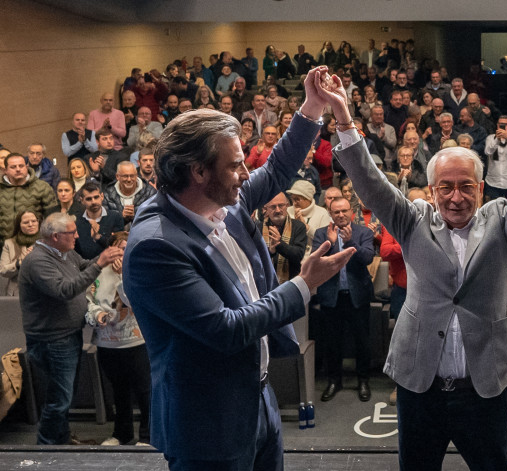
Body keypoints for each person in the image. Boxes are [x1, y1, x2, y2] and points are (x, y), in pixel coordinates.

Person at [329, 60, 507, 470]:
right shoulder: (412, 220)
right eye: (446, 186)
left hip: (483, 387)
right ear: (432, 189)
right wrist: (342, 117)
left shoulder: (503, 221)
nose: (456, 197)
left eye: (465, 187)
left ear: (480, 188)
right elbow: (370, 181)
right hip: (420, 387)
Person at [123, 67, 357, 470]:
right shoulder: (155, 246)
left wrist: (313, 106)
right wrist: (304, 285)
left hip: (258, 400)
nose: (246, 175)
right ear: (198, 171)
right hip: (208, 425)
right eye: (235, 165)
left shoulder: (221, 200)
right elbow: (226, 329)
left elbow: (279, 169)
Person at [19, 212, 124, 444]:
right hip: (52, 341)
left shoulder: (64, 253)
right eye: (72, 232)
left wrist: (108, 260)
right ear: (55, 236)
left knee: (65, 397)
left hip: (67, 336)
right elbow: (65, 290)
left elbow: (84, 266)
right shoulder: (38, 261)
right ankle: (45, 449)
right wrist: (100, 263)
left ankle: (62, 441)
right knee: (59, 401)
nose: (77, 235)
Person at [84, 232, 151, 446]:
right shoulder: (99, 271)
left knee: (144, 391)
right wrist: (97, 315)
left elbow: (136, 302)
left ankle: (148, 436)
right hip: (107, 342)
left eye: (126, 248)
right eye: (119, 248)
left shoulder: (139, 270)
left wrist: (124, 276)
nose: (122, 252)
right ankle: (122, 434)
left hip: (135, 341)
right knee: (119, 390)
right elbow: (89, 300)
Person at [312, 196, 375, 402]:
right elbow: (316, 263)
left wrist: (350, 243)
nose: (340, 215)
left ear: (352, 213)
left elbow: (367, 258)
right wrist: (330, 243)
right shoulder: (322, 234)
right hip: (332, 295)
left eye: (344, 211)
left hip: (358, 295)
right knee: (332, 342)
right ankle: (334, 381)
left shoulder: (363, 232)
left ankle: (363, 380)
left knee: (362, 341)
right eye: (336, 211)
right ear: (330, 214)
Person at [0, 153, 55, 239]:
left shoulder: (42, 187)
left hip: (34, 244)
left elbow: (52, 218)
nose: (18, 169)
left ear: (26, 167)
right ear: (5, 170)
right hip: (4, 245)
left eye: (21, 166)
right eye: (13, 167)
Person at [259, 192, 307, 282]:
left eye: (281, 206)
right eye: (273, 207)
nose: (277, 210)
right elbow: (255, 258)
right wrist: (271, 251)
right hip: (265, 282)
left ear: (287, 205)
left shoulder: (298, 226)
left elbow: (298, 255)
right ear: (266, 209)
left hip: (291, 281)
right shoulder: (258, 228)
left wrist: (279, 244)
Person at [73, 182, 125, 260]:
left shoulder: (115, 217)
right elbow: (75, 251)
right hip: (85, 267)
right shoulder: (76, 221)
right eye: (89, 199)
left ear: (102, 196)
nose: (93, 202)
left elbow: (118, 247)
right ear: (82, 200)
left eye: (96, 197)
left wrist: (98, 237)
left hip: (111, 264)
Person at [0, 210, 41, 296]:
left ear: (38, 222)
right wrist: (20, 262)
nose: (30, 225)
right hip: (17, 294)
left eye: (33, 221)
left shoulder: (49, 242)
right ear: (19, 225)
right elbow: (3, 271)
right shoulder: (9, 243)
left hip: (42, 293)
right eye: (26, 222)